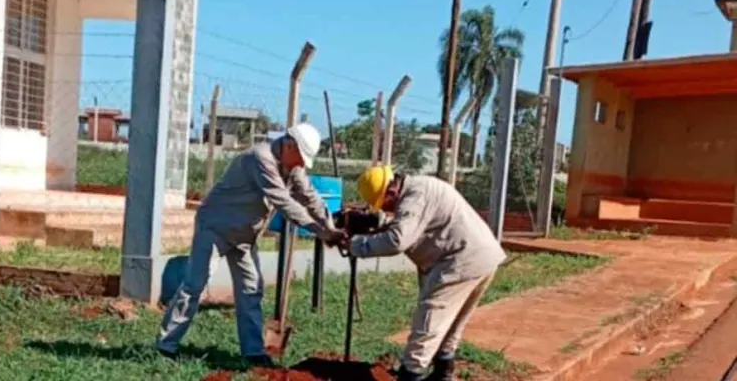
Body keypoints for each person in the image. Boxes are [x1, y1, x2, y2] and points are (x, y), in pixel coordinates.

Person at [156, 123, 345, 367]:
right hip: (215, 227)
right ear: (289, 145)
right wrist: (320, 232)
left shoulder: (292, 166)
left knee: (251, 289)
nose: (301, 165)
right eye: (300, 157)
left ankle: (253, 352)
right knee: (195, 285)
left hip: (245, 236)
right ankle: (165, 345)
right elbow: (284, 202)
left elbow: (309, 197)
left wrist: (332, 228)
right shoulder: (260, 158)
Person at [347, 166, 506, 381]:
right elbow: (415, 223)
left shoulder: (415, 196)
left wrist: (356, 245)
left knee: (429, 321)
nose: (387, 208)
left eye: (384, 204)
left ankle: (411, 374)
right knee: (451, 325)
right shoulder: (420, 187)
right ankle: (443, 374)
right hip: (482, 257)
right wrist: (378, 224)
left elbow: (398, 240)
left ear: (391, 192)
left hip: (461, 261)